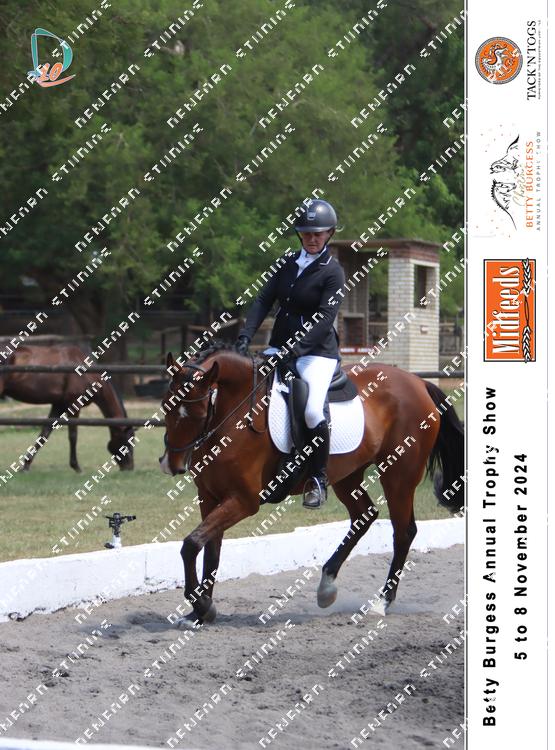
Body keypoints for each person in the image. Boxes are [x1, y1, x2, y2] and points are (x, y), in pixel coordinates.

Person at [234, 199, 345, 508]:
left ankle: (317, 479)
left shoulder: (333, 272)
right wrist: (244, 336)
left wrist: (294, 349)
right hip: (278, 348)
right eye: (306, 233)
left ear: (329, 233)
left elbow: (324, 319)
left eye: (318, 233)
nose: (312, 238)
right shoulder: (286, 263)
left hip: (316, 354)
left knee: (311, 411)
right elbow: (263, 300)